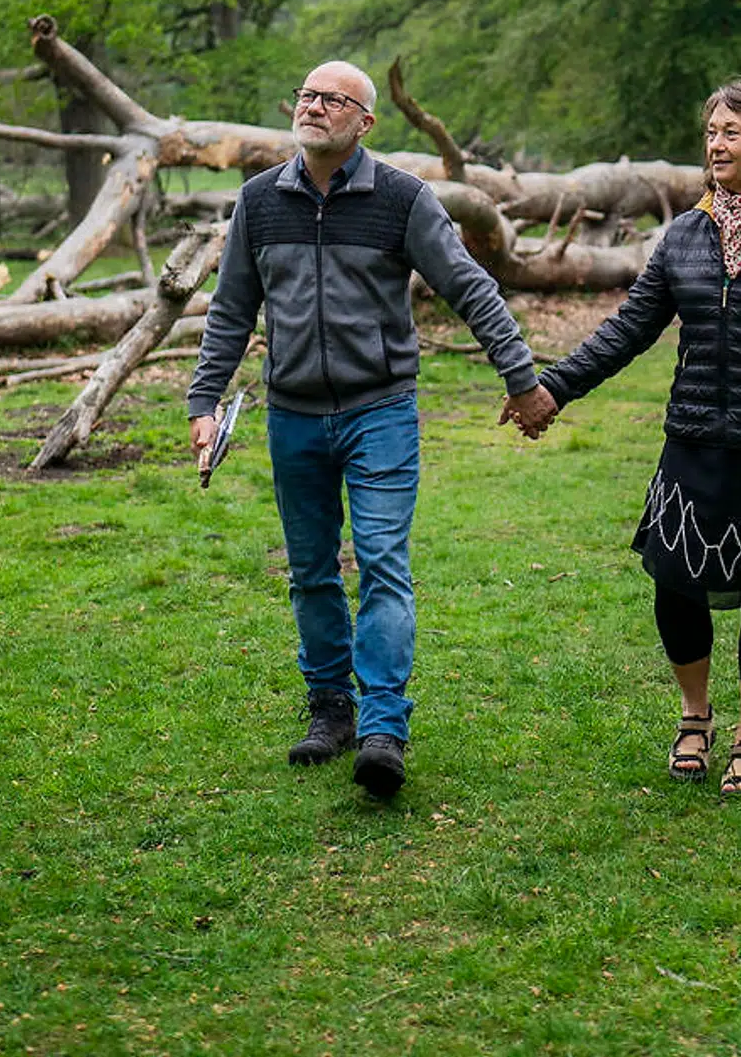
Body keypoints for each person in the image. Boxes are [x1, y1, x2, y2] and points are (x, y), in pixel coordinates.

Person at [187, 60, 554, 798]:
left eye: (332, 99)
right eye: (306, 95)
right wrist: (203, 403)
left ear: (364, 122)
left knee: (382, 559)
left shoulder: (403, 199)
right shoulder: (259, 202)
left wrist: (522, 377)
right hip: (291, 414)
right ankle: (331, 708)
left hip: (379, 411)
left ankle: (384, 724)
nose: (313, 107)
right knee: (312, 568)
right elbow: (230, 309)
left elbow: (470, 286)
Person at [501, 79, 741, 796]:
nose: (716, 143)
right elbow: (628, 329)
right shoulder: (685, 235)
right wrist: (552, 388)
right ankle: (693, 716)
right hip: (693, 442)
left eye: (732, 131)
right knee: (674, 582)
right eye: (710, 131)